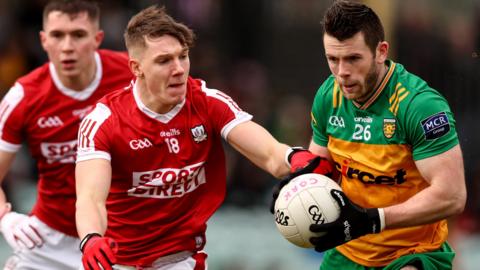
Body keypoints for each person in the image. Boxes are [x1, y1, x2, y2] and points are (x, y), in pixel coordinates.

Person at [74, 5, 333, 270]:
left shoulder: (208, 102)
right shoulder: (104, 121)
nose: (178, 69)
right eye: (164, 60)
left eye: (182, 56)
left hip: (180, 260)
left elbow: (270, 155)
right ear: (136, 67)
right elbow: (90, 198)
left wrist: (296, 158)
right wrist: (91, 239)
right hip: (117, 261)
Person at [293, 1, 466, 269]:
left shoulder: (420, 106)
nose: (342, 73)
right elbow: (320, 167)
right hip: (349, 252)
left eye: (353, 58)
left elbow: (452, 195)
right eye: (333, 59)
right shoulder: (328, 96)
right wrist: (296, 185)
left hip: (412, 252)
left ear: (381, 51)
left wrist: (375, 218)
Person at [0, 1, 134, 269]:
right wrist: (5, 217)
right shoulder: (23, 96)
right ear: (43, 40)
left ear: (97, 38)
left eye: (78, 35)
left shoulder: (133, 77)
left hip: (123, 239)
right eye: (58, 35)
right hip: (49, 242)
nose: (67, 46)